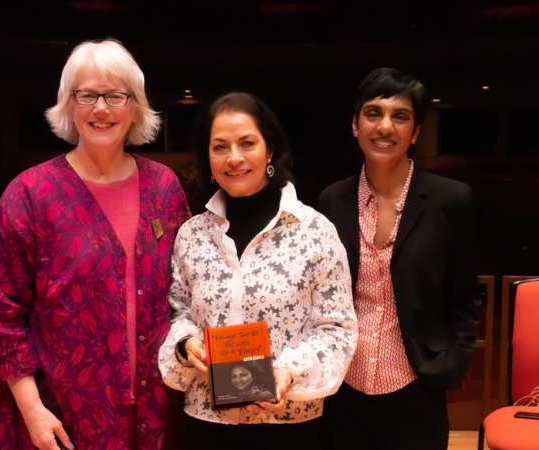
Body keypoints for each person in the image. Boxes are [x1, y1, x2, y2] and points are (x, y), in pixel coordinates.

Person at [0, 38, 191, 450]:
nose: (101, 109)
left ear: (134, 107)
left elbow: (186, 294)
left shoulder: (164, 188)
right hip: (60, 414)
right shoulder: (30, 194)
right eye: (87, 95)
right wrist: (33, 411)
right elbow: (1, 319)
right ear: (68, 104)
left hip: (155, 410)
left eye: (115, 95)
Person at [158, 92, 358, 450]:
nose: (234, 158)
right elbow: (179, 314)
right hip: (207, 424)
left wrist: (289, 373)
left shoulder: (314, 231)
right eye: (220, 146)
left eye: (247, 143)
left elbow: (336, 328)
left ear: (269, 151)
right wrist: (186, 345)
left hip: (287, 424)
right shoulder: (192, 234)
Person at [318, 68, 480, 449]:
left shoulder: (451, 200)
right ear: (355, 125)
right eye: (373, 113)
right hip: (343, 388)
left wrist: (449, 364)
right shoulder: (331, 200)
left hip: (416, 386)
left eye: (401, 116)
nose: (385, 127)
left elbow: (465, 295)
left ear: (416, 132)